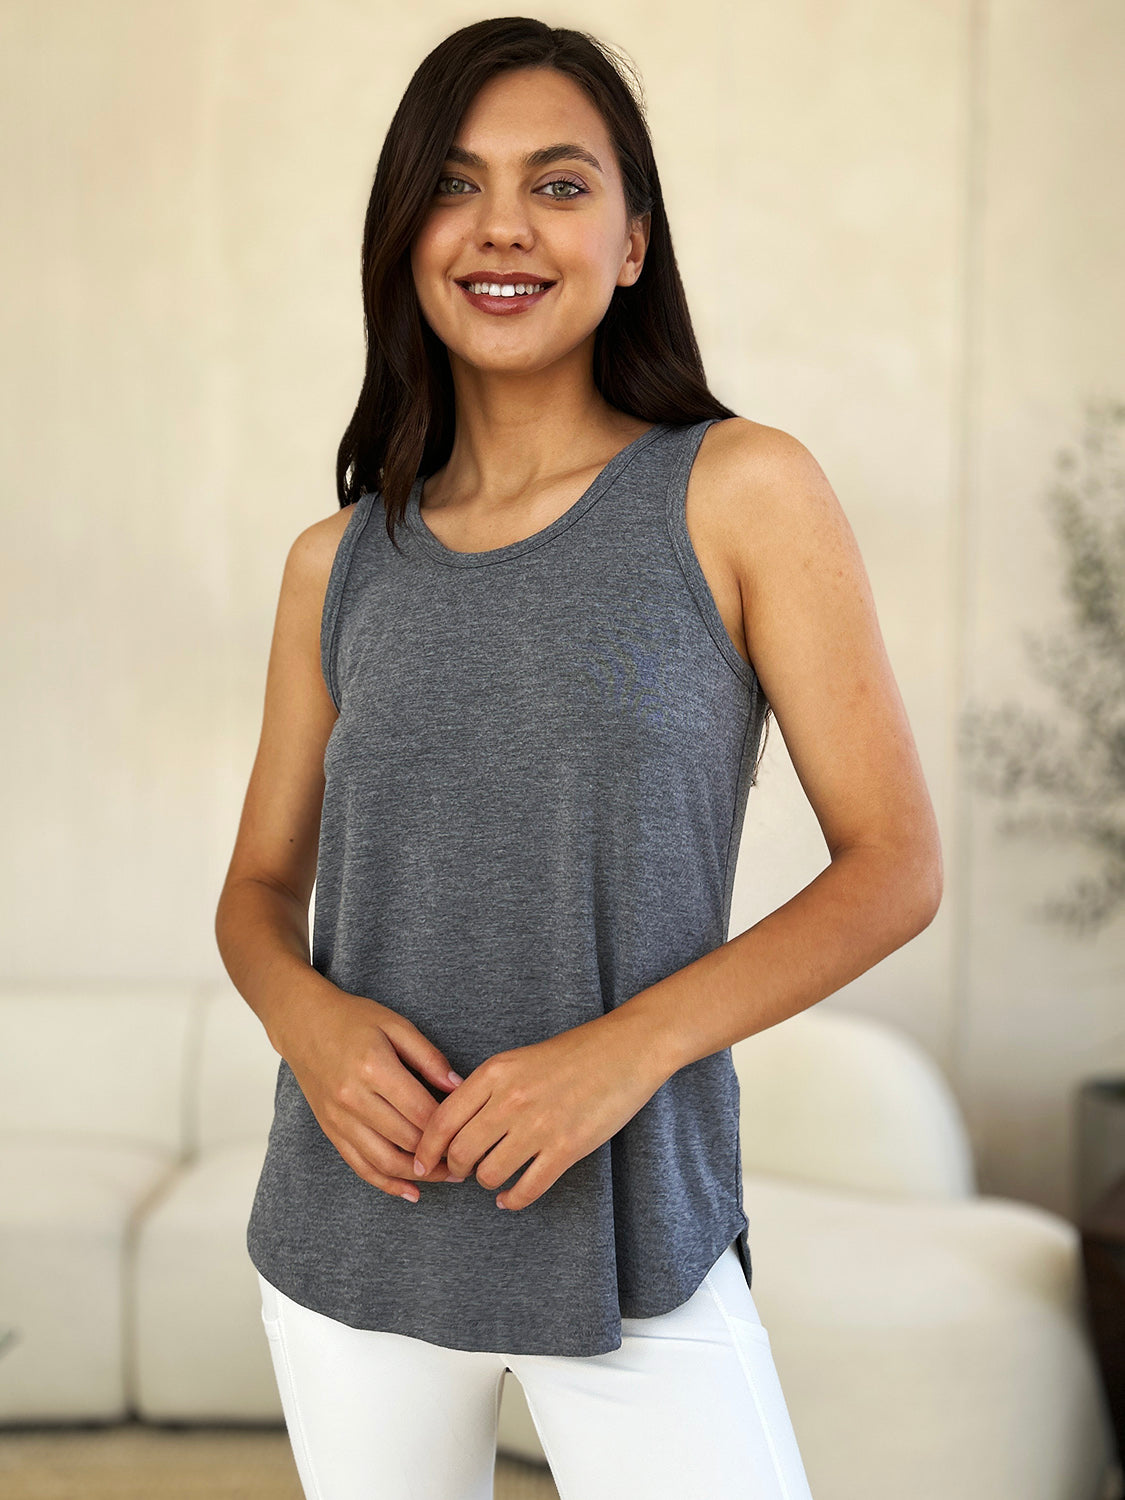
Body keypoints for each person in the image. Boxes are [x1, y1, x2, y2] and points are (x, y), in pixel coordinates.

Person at [214, 16, 942, 1500]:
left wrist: (621, 1055)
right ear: (406, 234)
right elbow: (257, 886)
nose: (501, 228)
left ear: (629, 244)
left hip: (628, 1230)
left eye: (557, 185)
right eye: (455, 185)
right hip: (353, 1218)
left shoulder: (740, 492)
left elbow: (895, 869)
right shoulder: (334, 564)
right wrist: (308, 1021)